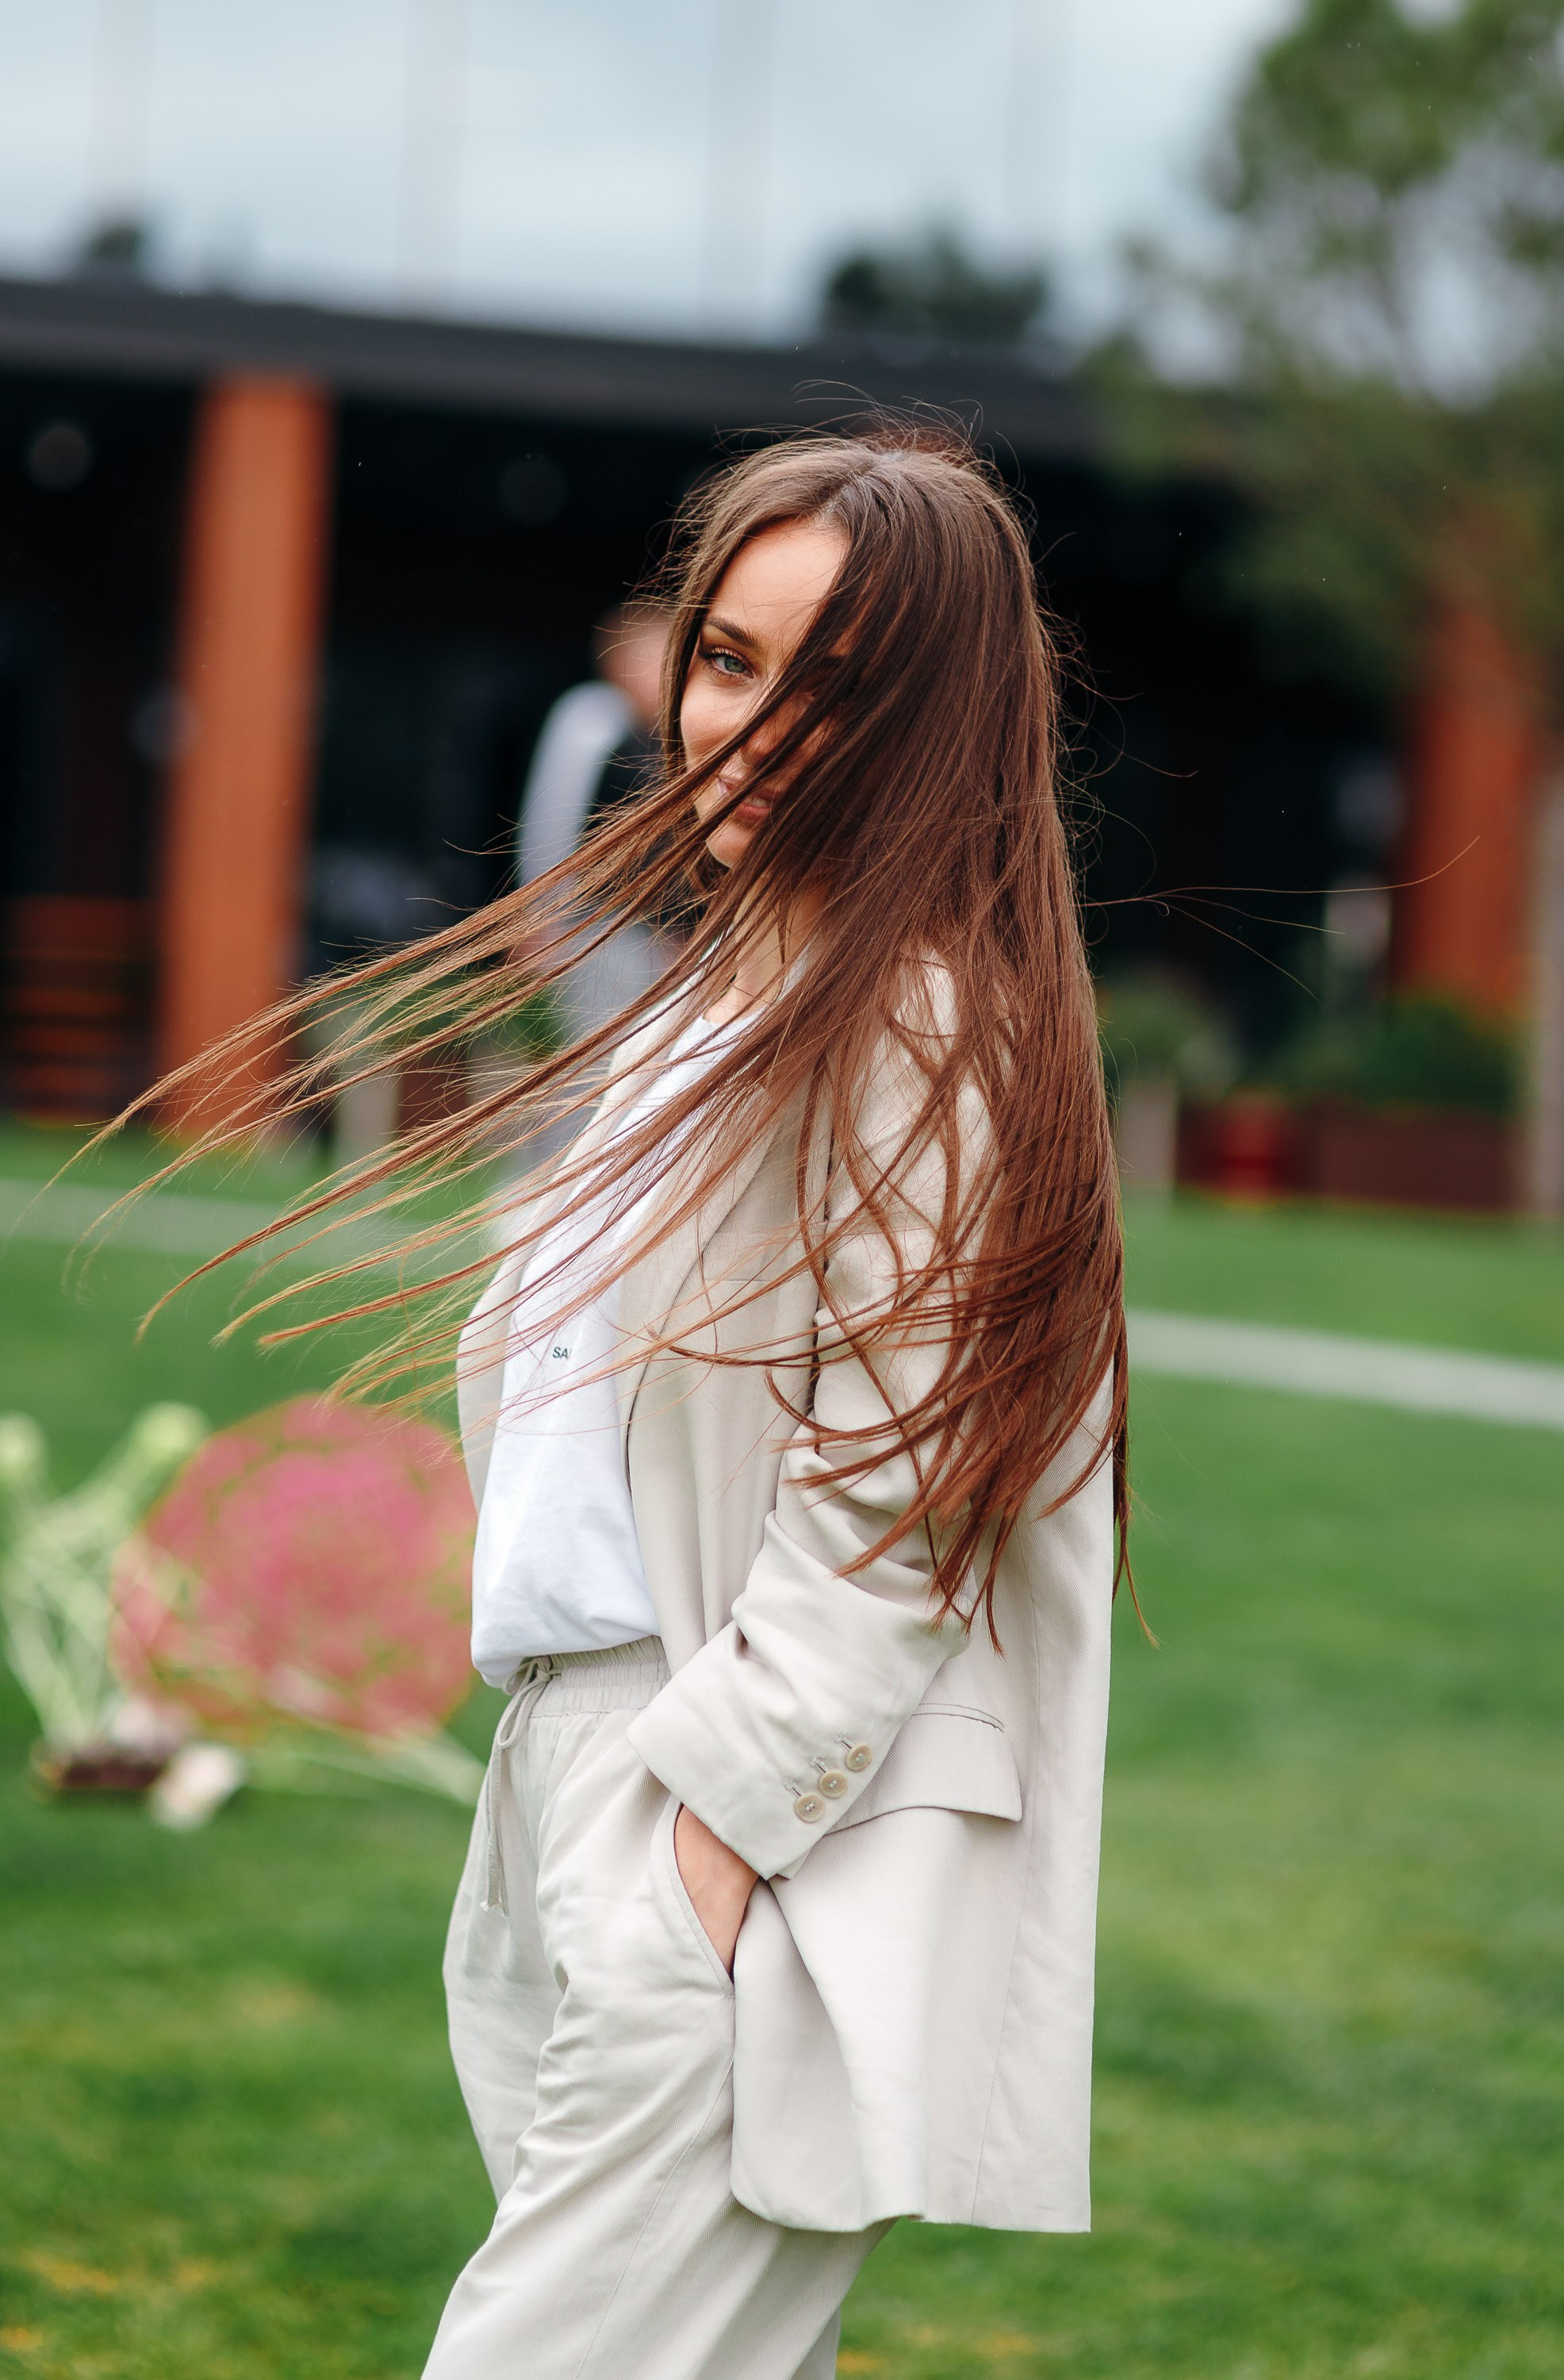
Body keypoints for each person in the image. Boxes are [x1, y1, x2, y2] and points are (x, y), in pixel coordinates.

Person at [129, 422, 1127, 2380]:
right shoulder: (725, 991)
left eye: (830, 685)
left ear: (939, 721)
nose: (745, 728)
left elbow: (906, 1492)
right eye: (727, 659)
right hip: (578, 1756)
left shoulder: (918, 1016)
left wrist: (705, 1834)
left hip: (735, 1807)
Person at [516, 598, 674, 1043]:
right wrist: (540, 916)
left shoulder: (665, 734)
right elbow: (552, 819)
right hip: (594, 927)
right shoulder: (593, 719)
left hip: (653, 941)